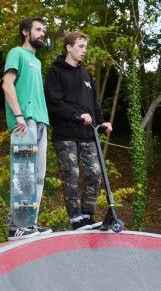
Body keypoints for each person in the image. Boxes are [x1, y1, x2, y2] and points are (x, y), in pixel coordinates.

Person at [45, 31, 112, 231]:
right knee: (71, 173)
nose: (84, 51)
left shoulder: (86, 74)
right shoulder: (55, 71)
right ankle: (76, 219)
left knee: (95, 172)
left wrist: (102, 123)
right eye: (80, 46)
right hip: (65, 134)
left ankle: (87, 215)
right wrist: (77, 115)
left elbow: (94, 103)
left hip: (88, 134)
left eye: (85, 47)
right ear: (68, 47)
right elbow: (54, 103)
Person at [2, 17, 51, 240]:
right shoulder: (17, 53)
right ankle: (16, 227)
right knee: (24, 175)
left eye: (43, 30)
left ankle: (29, 223)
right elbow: (7, 84)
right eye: (38, 29)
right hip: (24, 122)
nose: (42, 33)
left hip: (41, 122)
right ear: (25, 32)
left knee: (38, 177)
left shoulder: (37, 61)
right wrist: (19, 116)